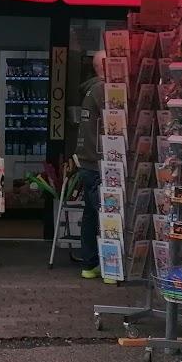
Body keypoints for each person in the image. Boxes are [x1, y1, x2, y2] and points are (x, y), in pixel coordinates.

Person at [73, 50, 106, 279]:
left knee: (91, 213)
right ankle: (108, 265)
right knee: (104, 213)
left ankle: (89, 262)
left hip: (87, 160)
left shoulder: (89, 90)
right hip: (98, 161)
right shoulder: (103, 90)